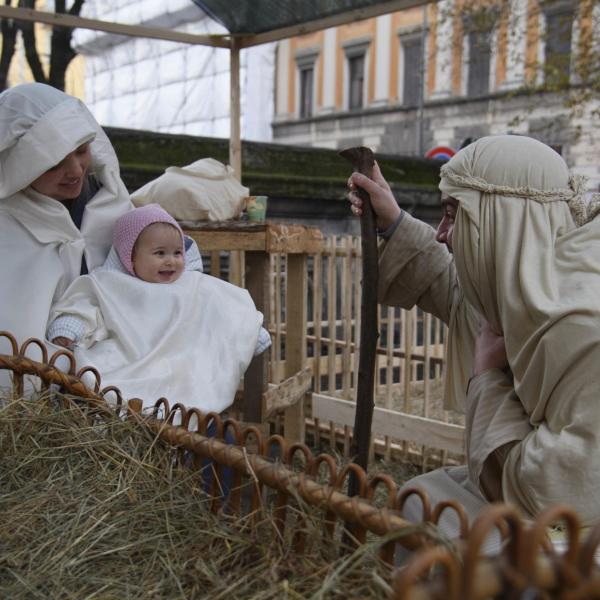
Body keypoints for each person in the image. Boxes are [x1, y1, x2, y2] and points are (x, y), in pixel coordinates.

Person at [348, 135, 600, 547]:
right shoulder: (522, 294)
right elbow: (456, 289)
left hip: (576, 532)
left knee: (468, 538)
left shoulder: (586, 328)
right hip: (529, 497)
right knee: (420, 499)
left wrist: (487, 377)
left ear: (502, 221)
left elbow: (562, 492)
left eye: (453, 215)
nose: (443, 234)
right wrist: (392, 219)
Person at [0, 83, 204, 389]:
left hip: (128, 379)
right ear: (20, 168)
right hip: (41, 406)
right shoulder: (8, 228)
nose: (75, 170)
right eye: (53, 163)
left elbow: (163, 261)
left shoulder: (109, 205)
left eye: (82, 151)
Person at [47, 204, 270, 413]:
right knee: (105, 373)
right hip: (130, 357)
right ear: (131, 257)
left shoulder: (192, 285)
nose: (170, 261)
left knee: (193, 379)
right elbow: (88, 307)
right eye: (159, 253)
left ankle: (182, 424)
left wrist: (250, 333)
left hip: (182, 362)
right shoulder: (112, 285)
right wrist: (68, 328)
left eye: (177, 253)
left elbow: (225, 311)